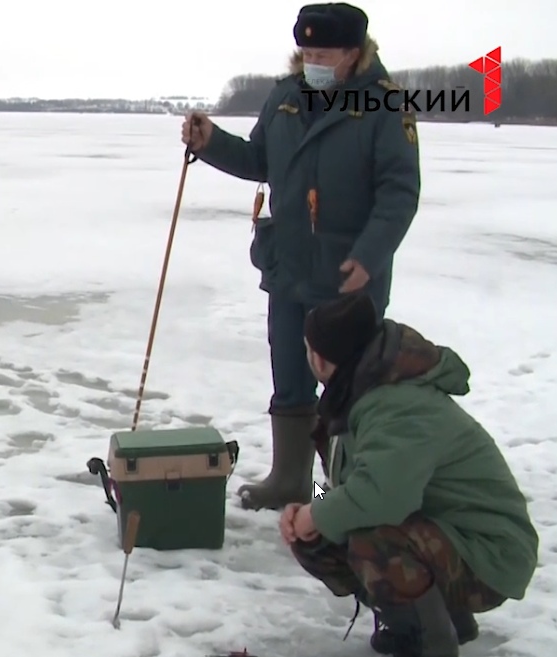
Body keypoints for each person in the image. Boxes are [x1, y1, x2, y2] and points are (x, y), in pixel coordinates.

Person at [180, 2, 422, 511]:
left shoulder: (384, 104)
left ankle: (344, 492)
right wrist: (211, 143)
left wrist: (369, 256)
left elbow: (398, 192)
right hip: (288, 267)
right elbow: (258, 159)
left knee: (349, 389)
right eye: (306, 51)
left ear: (354, 54)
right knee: (289, 375)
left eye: (324, 53)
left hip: (346, 276)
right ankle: (293, 481)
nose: (312, 60)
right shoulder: (286, 97)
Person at [280, 292, 538, 657]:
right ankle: (432, 621)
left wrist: (316, 514)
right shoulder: (355, 394)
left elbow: (381, 498)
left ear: (319, 358)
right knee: (319, 536)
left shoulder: (398, 405)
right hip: (442, 533)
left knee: (374, 538)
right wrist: (310, 510)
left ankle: (433, 643)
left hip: (489, 553)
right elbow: (348, 487)